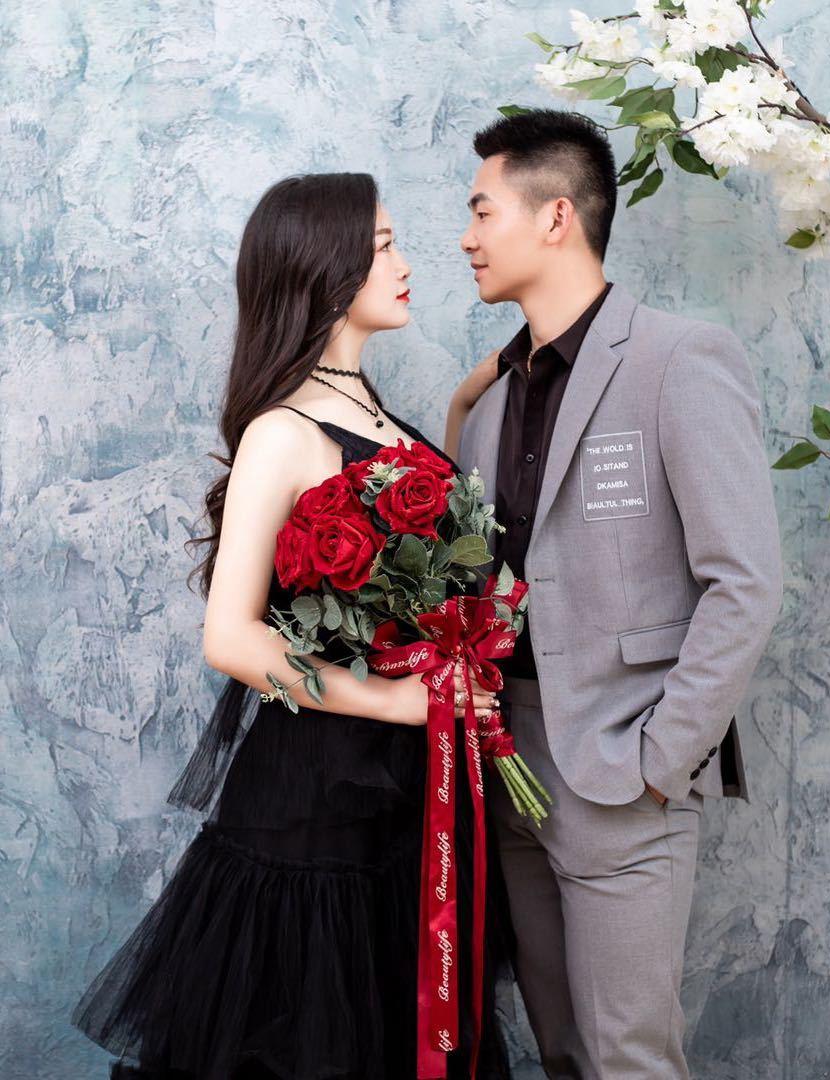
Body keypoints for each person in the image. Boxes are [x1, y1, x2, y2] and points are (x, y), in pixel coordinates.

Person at [70, 173, 515, 1079]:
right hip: (317, 797)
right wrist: (400, 703)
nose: (404, 263)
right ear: (326, 266)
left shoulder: (380, 415)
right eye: (383, 246)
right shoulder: (282, 431)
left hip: (404, 793)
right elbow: (231, 638)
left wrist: (468, 414)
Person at [446, 109, 785, 1079]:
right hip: (509, 763)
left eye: (481, 211)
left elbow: (744, 580)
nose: (466, 238)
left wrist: (659, 760)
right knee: (558, 1049)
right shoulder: (491, 401)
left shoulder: (680, 358)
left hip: (622, 768)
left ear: (555, 216)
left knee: (626, 1058)